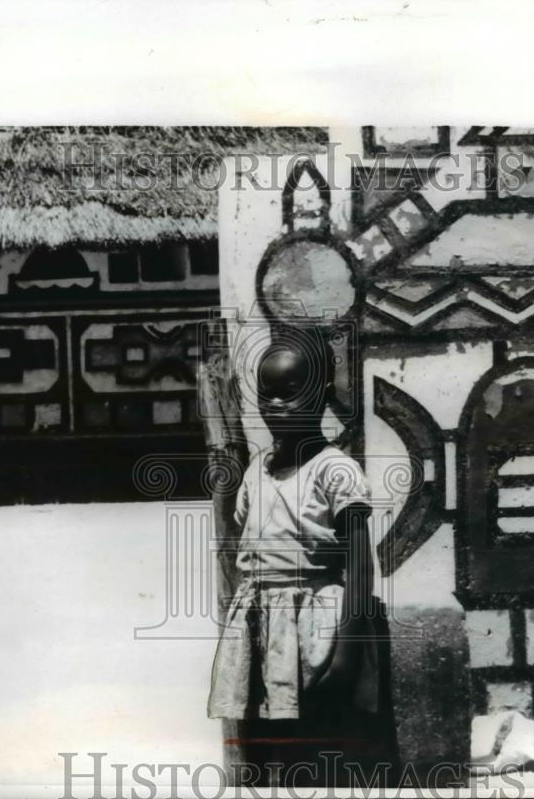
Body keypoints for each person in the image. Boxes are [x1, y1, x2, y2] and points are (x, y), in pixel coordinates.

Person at [208, 327, 388, 788]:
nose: (274, 407)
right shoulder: (257, 470)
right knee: (269, 732)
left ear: (321, 394)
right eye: (266, 396)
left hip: (315, 618)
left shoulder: (335, 471)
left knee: (317, 730)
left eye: (289, 395)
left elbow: (361, 564)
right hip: (260, 619)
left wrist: (349, 647)